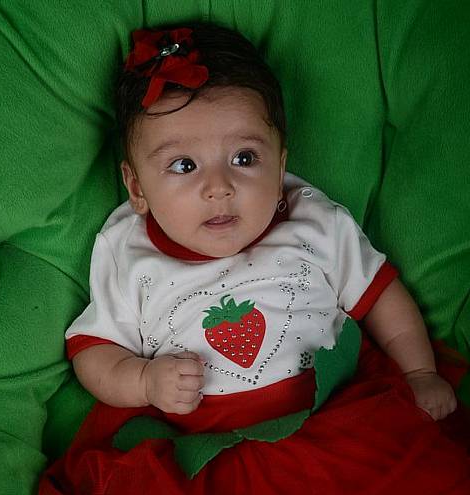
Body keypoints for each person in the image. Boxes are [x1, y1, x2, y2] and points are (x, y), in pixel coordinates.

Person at [40, 23, 470, 494]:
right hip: (209, 450)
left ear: (280, 165)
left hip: (335, 420)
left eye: (244, 158)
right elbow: (95, 350)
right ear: (137, 187)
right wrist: (143, 381)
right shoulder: (129, 249)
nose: (219, 187)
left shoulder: (312, 221)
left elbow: (382, 295)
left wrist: (419, 372)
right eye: (184, 165)